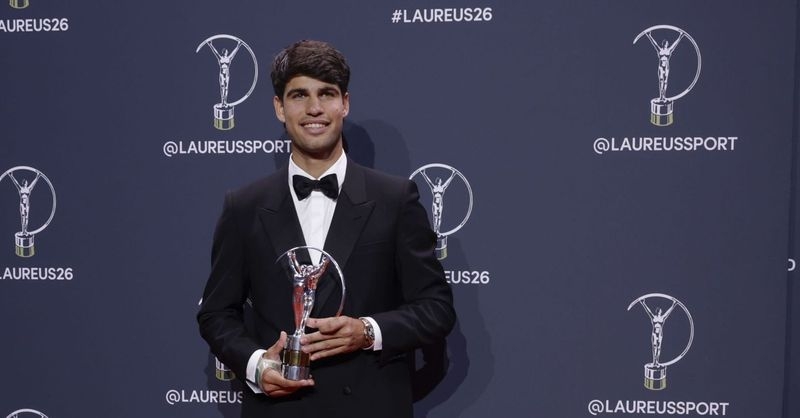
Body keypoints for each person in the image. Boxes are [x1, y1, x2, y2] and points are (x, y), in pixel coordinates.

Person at [197, 39, 456, 418]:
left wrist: (367, 331)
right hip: (280, 409)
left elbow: (436, 309)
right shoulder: (244, 206)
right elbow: (216, 313)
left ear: (344, 104)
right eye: (299, 95)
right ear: (279, 107)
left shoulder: (395, 199)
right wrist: (256, 365)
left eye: (327, 94)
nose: (314, 108)